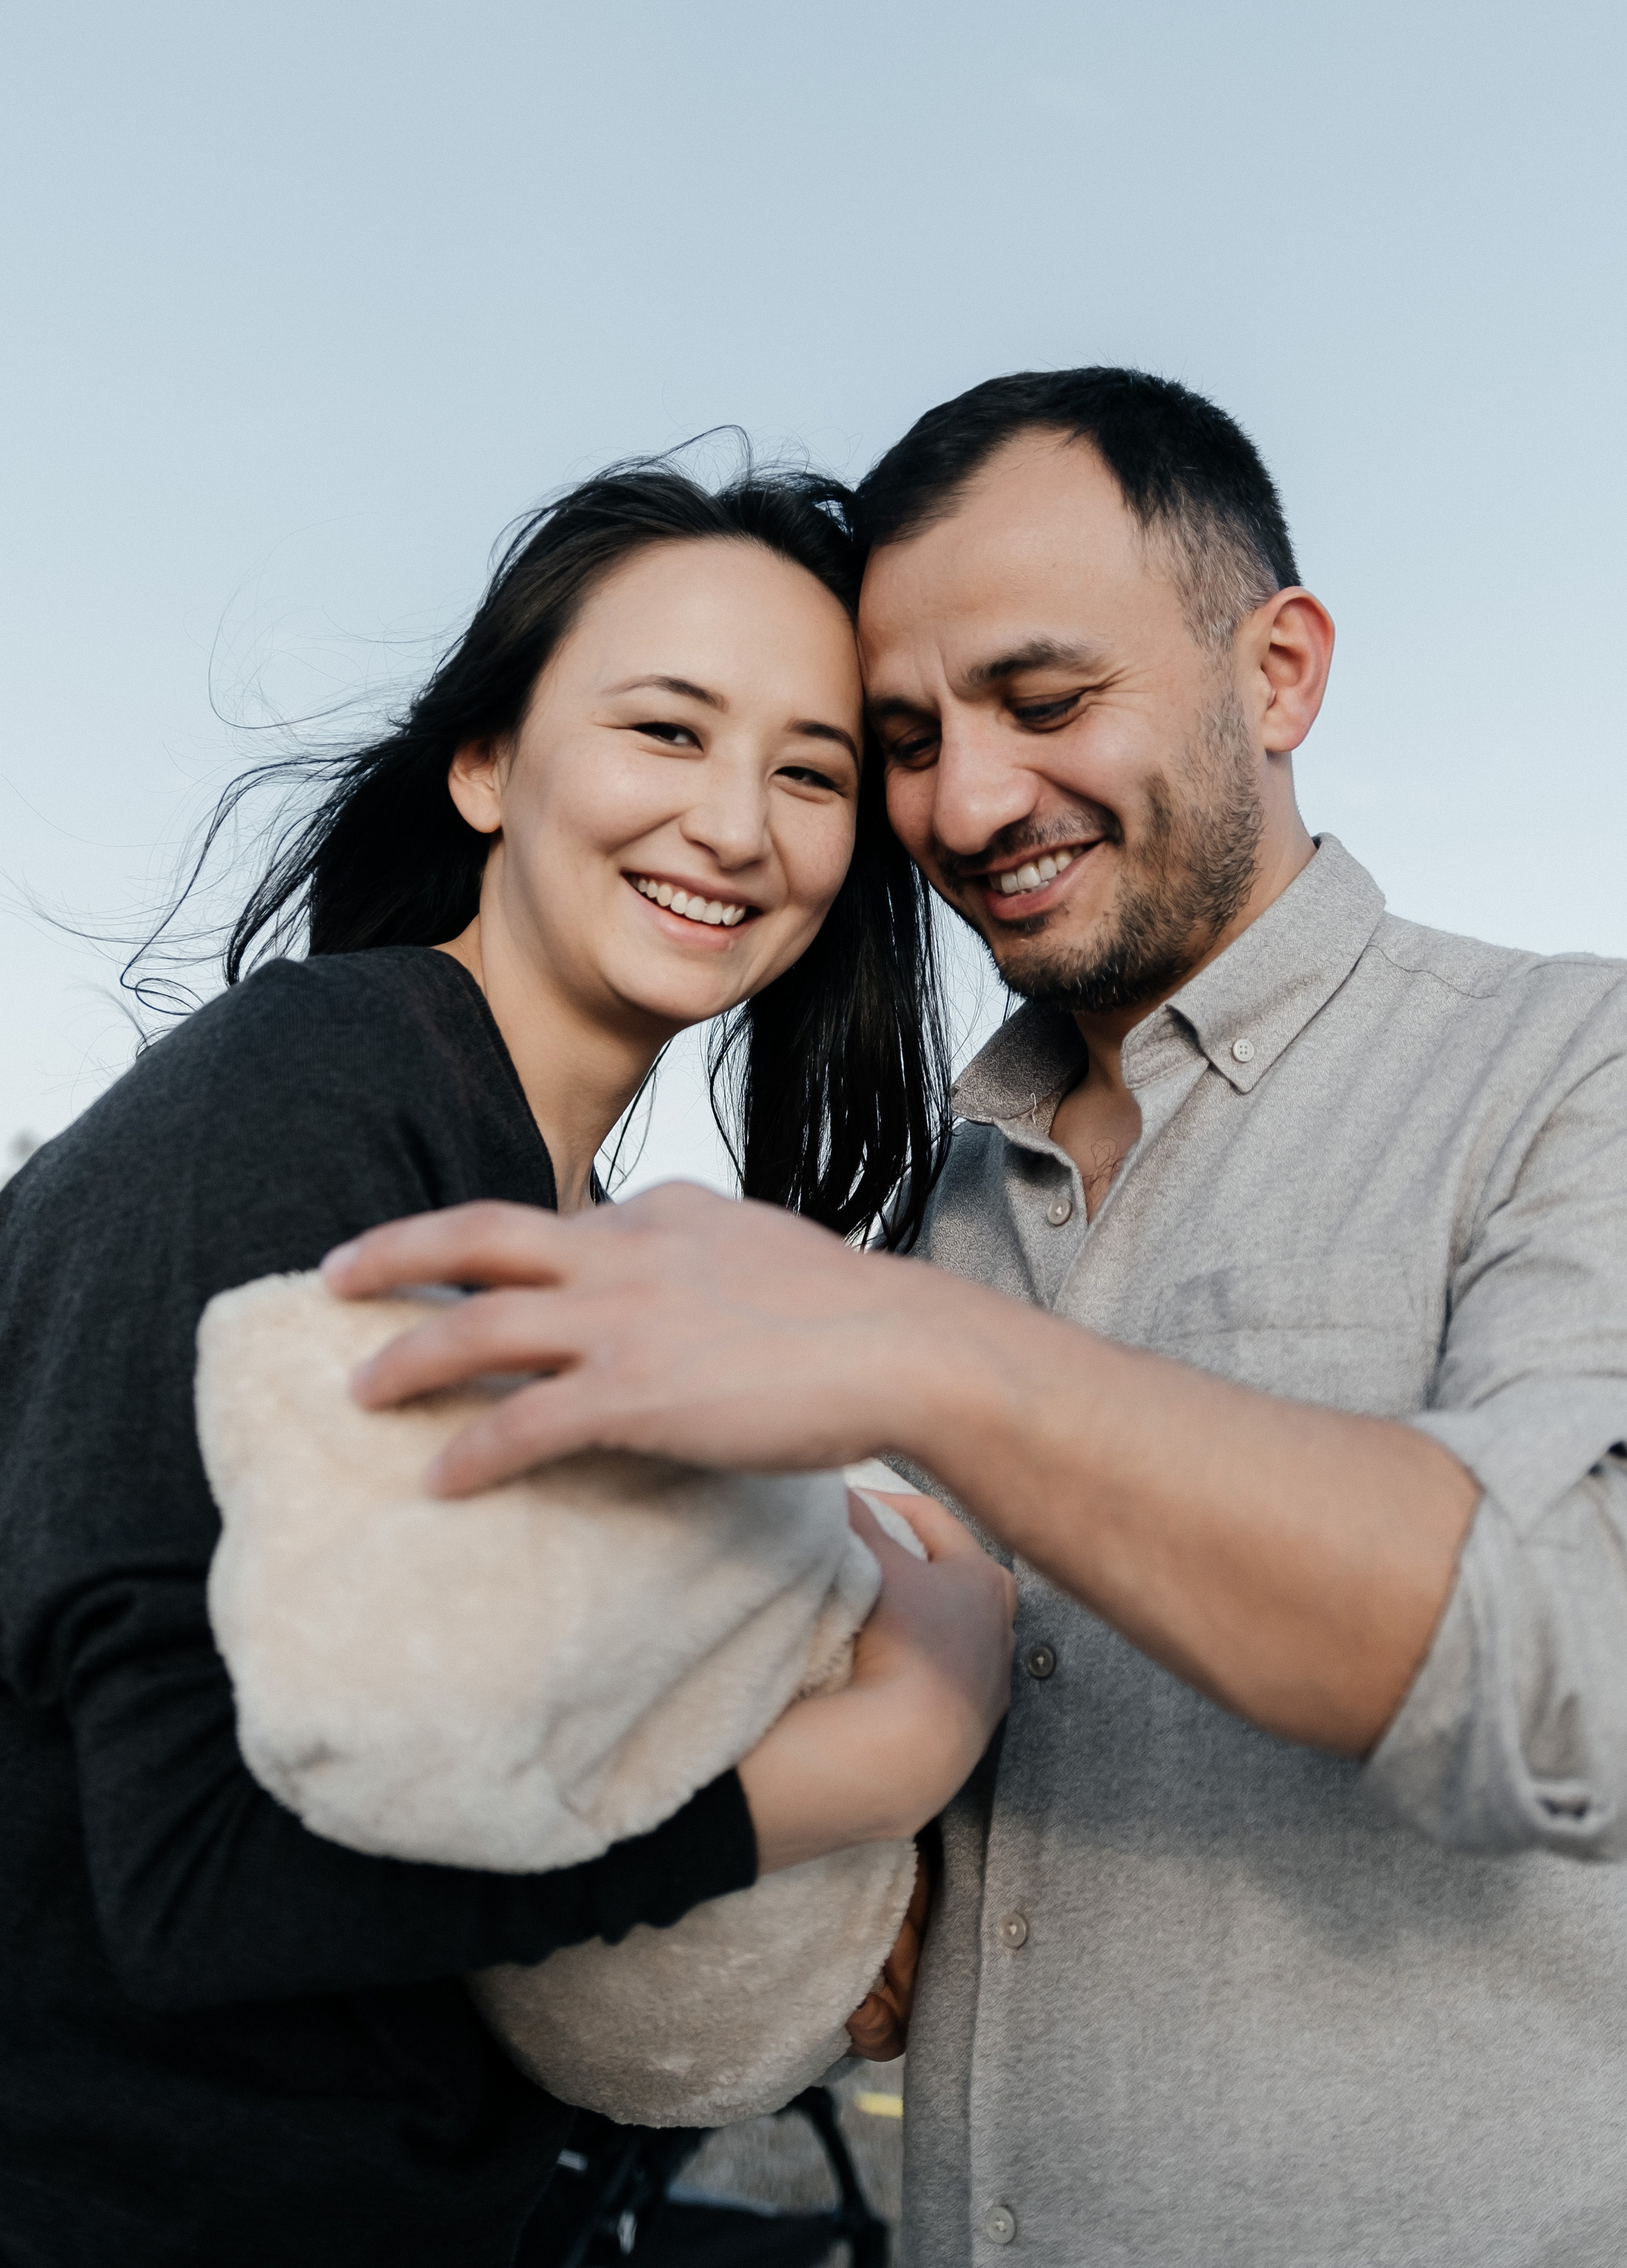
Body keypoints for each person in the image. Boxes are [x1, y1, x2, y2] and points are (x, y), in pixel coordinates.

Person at [328, 368, 1627, 2266]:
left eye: (1046, 698)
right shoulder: (941, 1225)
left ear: (1280, 672)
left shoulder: (1600, 1057)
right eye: (906, 736)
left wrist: (930, 1361)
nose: (969, 802)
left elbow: (1603, 1669)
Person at [0, 460, 1015, 2268]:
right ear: (485, 764)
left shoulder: (589, 1231)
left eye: (809, 771)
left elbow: (507, 1771)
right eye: (665, 730)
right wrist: (889, 1751)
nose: (734, 824)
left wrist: (823, 1926)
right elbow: (204, 1881)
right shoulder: (306, 1096)